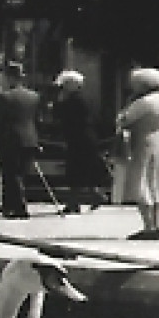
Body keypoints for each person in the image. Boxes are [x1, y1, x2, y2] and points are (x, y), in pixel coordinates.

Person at [116, 65, 159, 240]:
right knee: (154, 181)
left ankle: (148, 226)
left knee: (139, 180)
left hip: (142, 140)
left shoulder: (143, 102)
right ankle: (156, 224)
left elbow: (124, 120)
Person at [0, 61, 41, 219]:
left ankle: (19, 206)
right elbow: (36, 120)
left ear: (9, 78)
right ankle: (9, 204)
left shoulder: (4, 97)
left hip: (10, 139)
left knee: (10, 174)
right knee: (21, 174)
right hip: (29, 139)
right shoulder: (34, 96)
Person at [50, 70, 107, 213]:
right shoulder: (82, 99)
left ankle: (74, 203)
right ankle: (94, 195)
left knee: (74, 171)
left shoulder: (73, 101)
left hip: (78, 139)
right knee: (84, 169)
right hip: (85, 138)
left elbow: (61, 117)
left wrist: (57, 104)